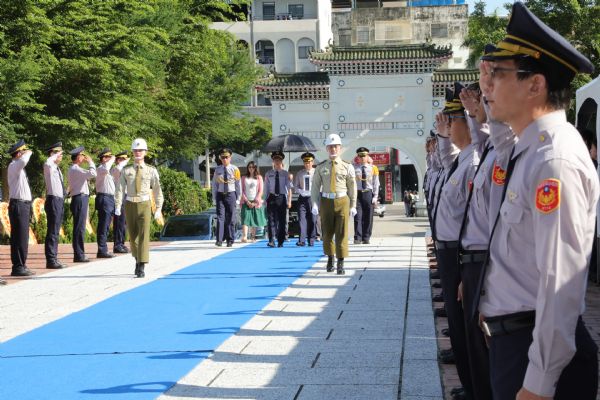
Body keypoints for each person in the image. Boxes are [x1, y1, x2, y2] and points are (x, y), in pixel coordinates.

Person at [476, 3, 598, 400]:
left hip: (539, 359)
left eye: (499, 75)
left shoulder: (554, 160)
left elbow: (560, 281)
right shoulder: (528, 149)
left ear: (535, 85)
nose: (488, 86)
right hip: (516, 343)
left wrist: (539, 382)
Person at [433, 82, 478, 400]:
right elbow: (443, 160)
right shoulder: (462, 160)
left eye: (452, 123)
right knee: (461, 331)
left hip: (463, 256)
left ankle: (477, 388)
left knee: (469, 334)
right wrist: (441, 137)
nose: (447, 130)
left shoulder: (474, 161)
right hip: (451, 253)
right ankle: (470, 383)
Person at [114, 138, 163, 278]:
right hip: (130, 204)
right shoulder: (126, 170)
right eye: (135, 150)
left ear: (145, 152)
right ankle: (137, 258)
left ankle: (141, 265)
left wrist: (158, 208)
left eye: (140, 150)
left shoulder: (151, 170)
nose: (138, 153)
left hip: (145, 204)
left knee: (143, 235)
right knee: (133, 237)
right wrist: (117, 205)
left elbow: (157, 190)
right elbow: (119, 189)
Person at [311, 133, 357, 274]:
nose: (333, 149)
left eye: (335, 146)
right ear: (326, 148)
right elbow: (315, 186)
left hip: (342, 200)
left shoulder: (347, 166)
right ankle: (330, 258)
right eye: (330, 147)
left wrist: (353, 205)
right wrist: (314, 203)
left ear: (340, 148)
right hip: (326, 201)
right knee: (327, 233)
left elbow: (352, 186)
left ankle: (341, 262)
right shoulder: (321, 167)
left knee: (342, 232)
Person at [7, 139, 34, 279]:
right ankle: (18, 266)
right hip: (18, 204)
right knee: (19, 237)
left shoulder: (18, 168)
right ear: (18, 154)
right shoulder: (14, 165)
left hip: (23, 205)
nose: (25, 152)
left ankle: (21, 265)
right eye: (22, 151)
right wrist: (28, 153)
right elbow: (24, 160)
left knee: (23, 237)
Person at [68, 146, 96, 263]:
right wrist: (90, 162)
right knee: (79, 228)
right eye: (82, 155)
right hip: (79, 198)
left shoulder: (75, 169)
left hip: (80, 198)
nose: (83, 157)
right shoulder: (76, 169)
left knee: (79, 227)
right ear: (78, 157)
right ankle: (79, 254)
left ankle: (79, 253)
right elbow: (93, 174)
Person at [43, 141, 67, 269]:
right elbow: (47, 162)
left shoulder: (57, 168)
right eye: (58, 153)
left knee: (55, 231)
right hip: (53, 200)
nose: (61, 156)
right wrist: (54, 155)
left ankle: (54, 258)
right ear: (52, 154)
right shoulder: (49, 165)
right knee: (52, 231)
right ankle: (51, 259)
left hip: (58, 200)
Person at [211, 148, 241, 247]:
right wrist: (214, 198)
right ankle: (219, 240)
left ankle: (230, 239)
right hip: (220, 194)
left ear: (230, 158)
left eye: (226, 157)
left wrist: (238, 198)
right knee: (220, 217)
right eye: (222, 157)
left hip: (231, 194)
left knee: (231, 218)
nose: (224, 159)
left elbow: (238, 184)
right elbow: (214, 184)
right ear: (220, 158)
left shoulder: (235, 169)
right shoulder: (217, 169)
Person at [264, 151, 292, 247]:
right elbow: (266, 187)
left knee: (282, 220)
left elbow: (289, 188)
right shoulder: (269, 174)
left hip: (281, 197)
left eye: (279, 160)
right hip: (271, 197)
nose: (277, 161)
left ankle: (280, 240)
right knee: (271, 220)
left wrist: (289, 200)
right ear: (273, 161)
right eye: (275, 159)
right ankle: (271, 240)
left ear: (281, 161)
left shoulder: (285, 173)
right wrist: (265, 199)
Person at [353, 147, 379, 244]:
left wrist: (375, 196)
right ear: (357, 157)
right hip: (358, 194)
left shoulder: (373, 168)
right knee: (357, 216)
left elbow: (376, 183)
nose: (362, 158)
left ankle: (366, 237)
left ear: (367, 156)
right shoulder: (354, 167)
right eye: (360, 156)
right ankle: (357, 237)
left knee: (368, 216)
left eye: (364, 156)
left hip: (368, 193)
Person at [95, 148, 116, 258]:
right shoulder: (101, 169)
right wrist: (112, 159)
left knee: (106, 225)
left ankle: (103, 249)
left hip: (109, 198)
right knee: (103, 225)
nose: (111, 159)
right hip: (104, 198)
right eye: (108, 157)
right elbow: (107, 167)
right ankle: (102, 250)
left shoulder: (106, 170)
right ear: (103, 159)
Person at [294, 152, 317, 246]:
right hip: (302, 198)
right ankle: (301, 240)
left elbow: (321, 185)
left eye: (309, 162)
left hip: (313, 197)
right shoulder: (300, 173)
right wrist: (300, 191)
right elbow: (296, 186)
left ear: (312, 162)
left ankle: (311, 239)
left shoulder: (316, 172)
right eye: (305, 162)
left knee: (312, 219)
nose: (307, 164)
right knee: (302, 219)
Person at [240, 161, 267, 242]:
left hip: (255, 201)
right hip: (246, 201)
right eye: (249, 167)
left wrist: (255, 201)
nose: (251, 169)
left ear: (255, 168)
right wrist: (247, 201)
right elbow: (242, 190)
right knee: (245, 218)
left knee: (254, 219)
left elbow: (261, 190)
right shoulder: (244, 177)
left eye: (253, 167)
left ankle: (252, 236)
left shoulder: (259, 177)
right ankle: (244, 236)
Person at [111, 151, 129, 254]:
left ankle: (121, 243)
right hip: (119, 197)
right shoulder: (116, 169)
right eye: (122, 159)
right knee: (119, 222)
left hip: (125, 196)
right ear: (117, 160)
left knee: (124, 222)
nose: (124, 161)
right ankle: (117, 245)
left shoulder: (124, 169)